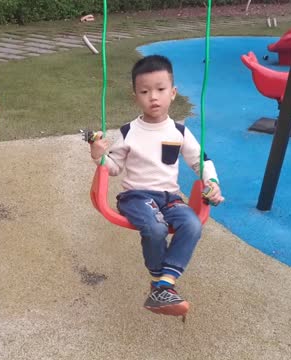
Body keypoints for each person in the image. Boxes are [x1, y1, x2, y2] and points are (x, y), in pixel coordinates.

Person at [89, 55, 224, 315]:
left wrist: (212, 182)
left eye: (160, 89)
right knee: (155, 226)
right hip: (136, 197)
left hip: (170, 197)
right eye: (145, 91)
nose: (153, 97)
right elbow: (114, 168)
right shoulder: (129, 131)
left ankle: (165, 284)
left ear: (173, 93)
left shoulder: (180, 132)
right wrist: (99, 155)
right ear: (135, 97)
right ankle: (158, 279)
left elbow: (200, 161)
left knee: (192, 223)